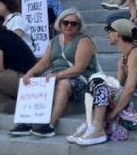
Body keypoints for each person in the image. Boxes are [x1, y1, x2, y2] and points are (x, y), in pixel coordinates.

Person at [69, 18, 137, 146]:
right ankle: (92, 123)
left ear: (118, 34)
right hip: (134, 97)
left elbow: (129, 89)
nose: (107, 35)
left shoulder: (135, 53)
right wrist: (120, 68)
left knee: (98, 83)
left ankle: (97, 127)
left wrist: (114, 113)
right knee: (96, 82)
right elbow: (119, 86)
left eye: (110, 32)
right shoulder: (125, 56)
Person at [20, 8, 99, 138]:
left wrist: (57, 76)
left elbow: (79, 67)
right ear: (60, 24)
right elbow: (45, 62)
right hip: (57, 77)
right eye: (65, 22)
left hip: (81, 80)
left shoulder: (84, 41)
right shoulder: (55, 40)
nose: (69, 25)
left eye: (73, 23)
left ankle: (50, 125)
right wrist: (30, 73)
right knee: (32, 83)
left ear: (79, 26)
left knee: (63, 84)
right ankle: (28, 120)